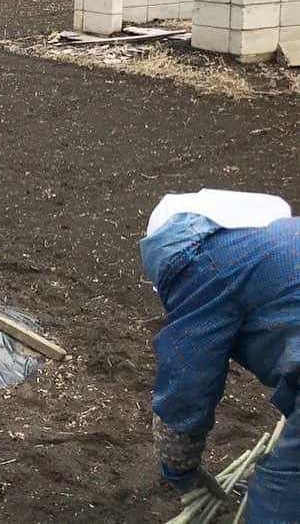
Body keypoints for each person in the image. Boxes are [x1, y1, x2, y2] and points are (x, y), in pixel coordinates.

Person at [139, 189, 300, 523]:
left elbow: (186, 388)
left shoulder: (206, 270)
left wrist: (179, 468)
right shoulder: (274, 243)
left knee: (278, 496)